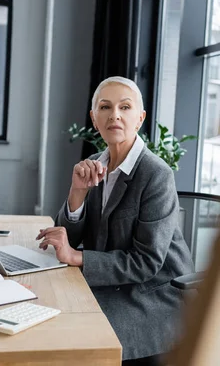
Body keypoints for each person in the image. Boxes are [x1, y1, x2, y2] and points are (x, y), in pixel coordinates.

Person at [36, 76, 194, 365]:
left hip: (151, 294)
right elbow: (68, 238)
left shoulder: (156, 174)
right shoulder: (96, 163)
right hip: (111, 282)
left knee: (72, 334)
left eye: (125, 107)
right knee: (44, 309)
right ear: (95, 119)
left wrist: (77, 257)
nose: (115, 115)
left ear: (140, 118)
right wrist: (77, 193)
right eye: (105, 107)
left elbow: (146, 263)